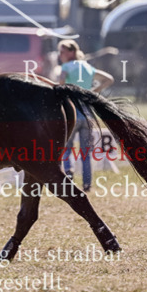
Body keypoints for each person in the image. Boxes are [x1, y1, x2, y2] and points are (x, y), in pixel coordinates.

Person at [56, 39, 114, 191]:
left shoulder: (66, 66)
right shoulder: (88, 67)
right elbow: (109, 79)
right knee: (86, 153)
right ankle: (87, 184)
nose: (60, 55)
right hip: (88, 115)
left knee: (66, 149)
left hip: (72, 114)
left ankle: (68, 174)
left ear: (71, 52)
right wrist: (92, 92)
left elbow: (60, 81)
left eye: (62, 51)